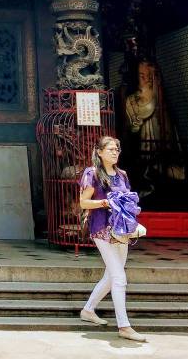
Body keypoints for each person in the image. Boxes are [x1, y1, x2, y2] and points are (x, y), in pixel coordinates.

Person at [78, 136, 146, 342]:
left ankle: (88, 310)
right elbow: (83, 203)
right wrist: (106, 203)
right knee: (119, 277)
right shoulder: (92, 173)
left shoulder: (122, 174)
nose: (115, 152)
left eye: (117, 149)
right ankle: (124, 326)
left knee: (111, 275)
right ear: (99, 152)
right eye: (110, 149)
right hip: (102, 229)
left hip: (121, 229)